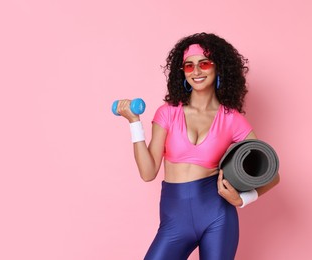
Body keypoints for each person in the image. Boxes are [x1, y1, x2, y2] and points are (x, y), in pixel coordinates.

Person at [115, 32, 280, 260]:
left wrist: (242, 199)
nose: (197, 71)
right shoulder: (167, 113)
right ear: (182, 72)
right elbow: (148, 172)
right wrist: (134, 123)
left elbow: (271, 174)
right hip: (174, 220)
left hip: (218, 217)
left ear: (218, 67)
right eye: (189, 66)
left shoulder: (232, 119)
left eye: (204, 63)